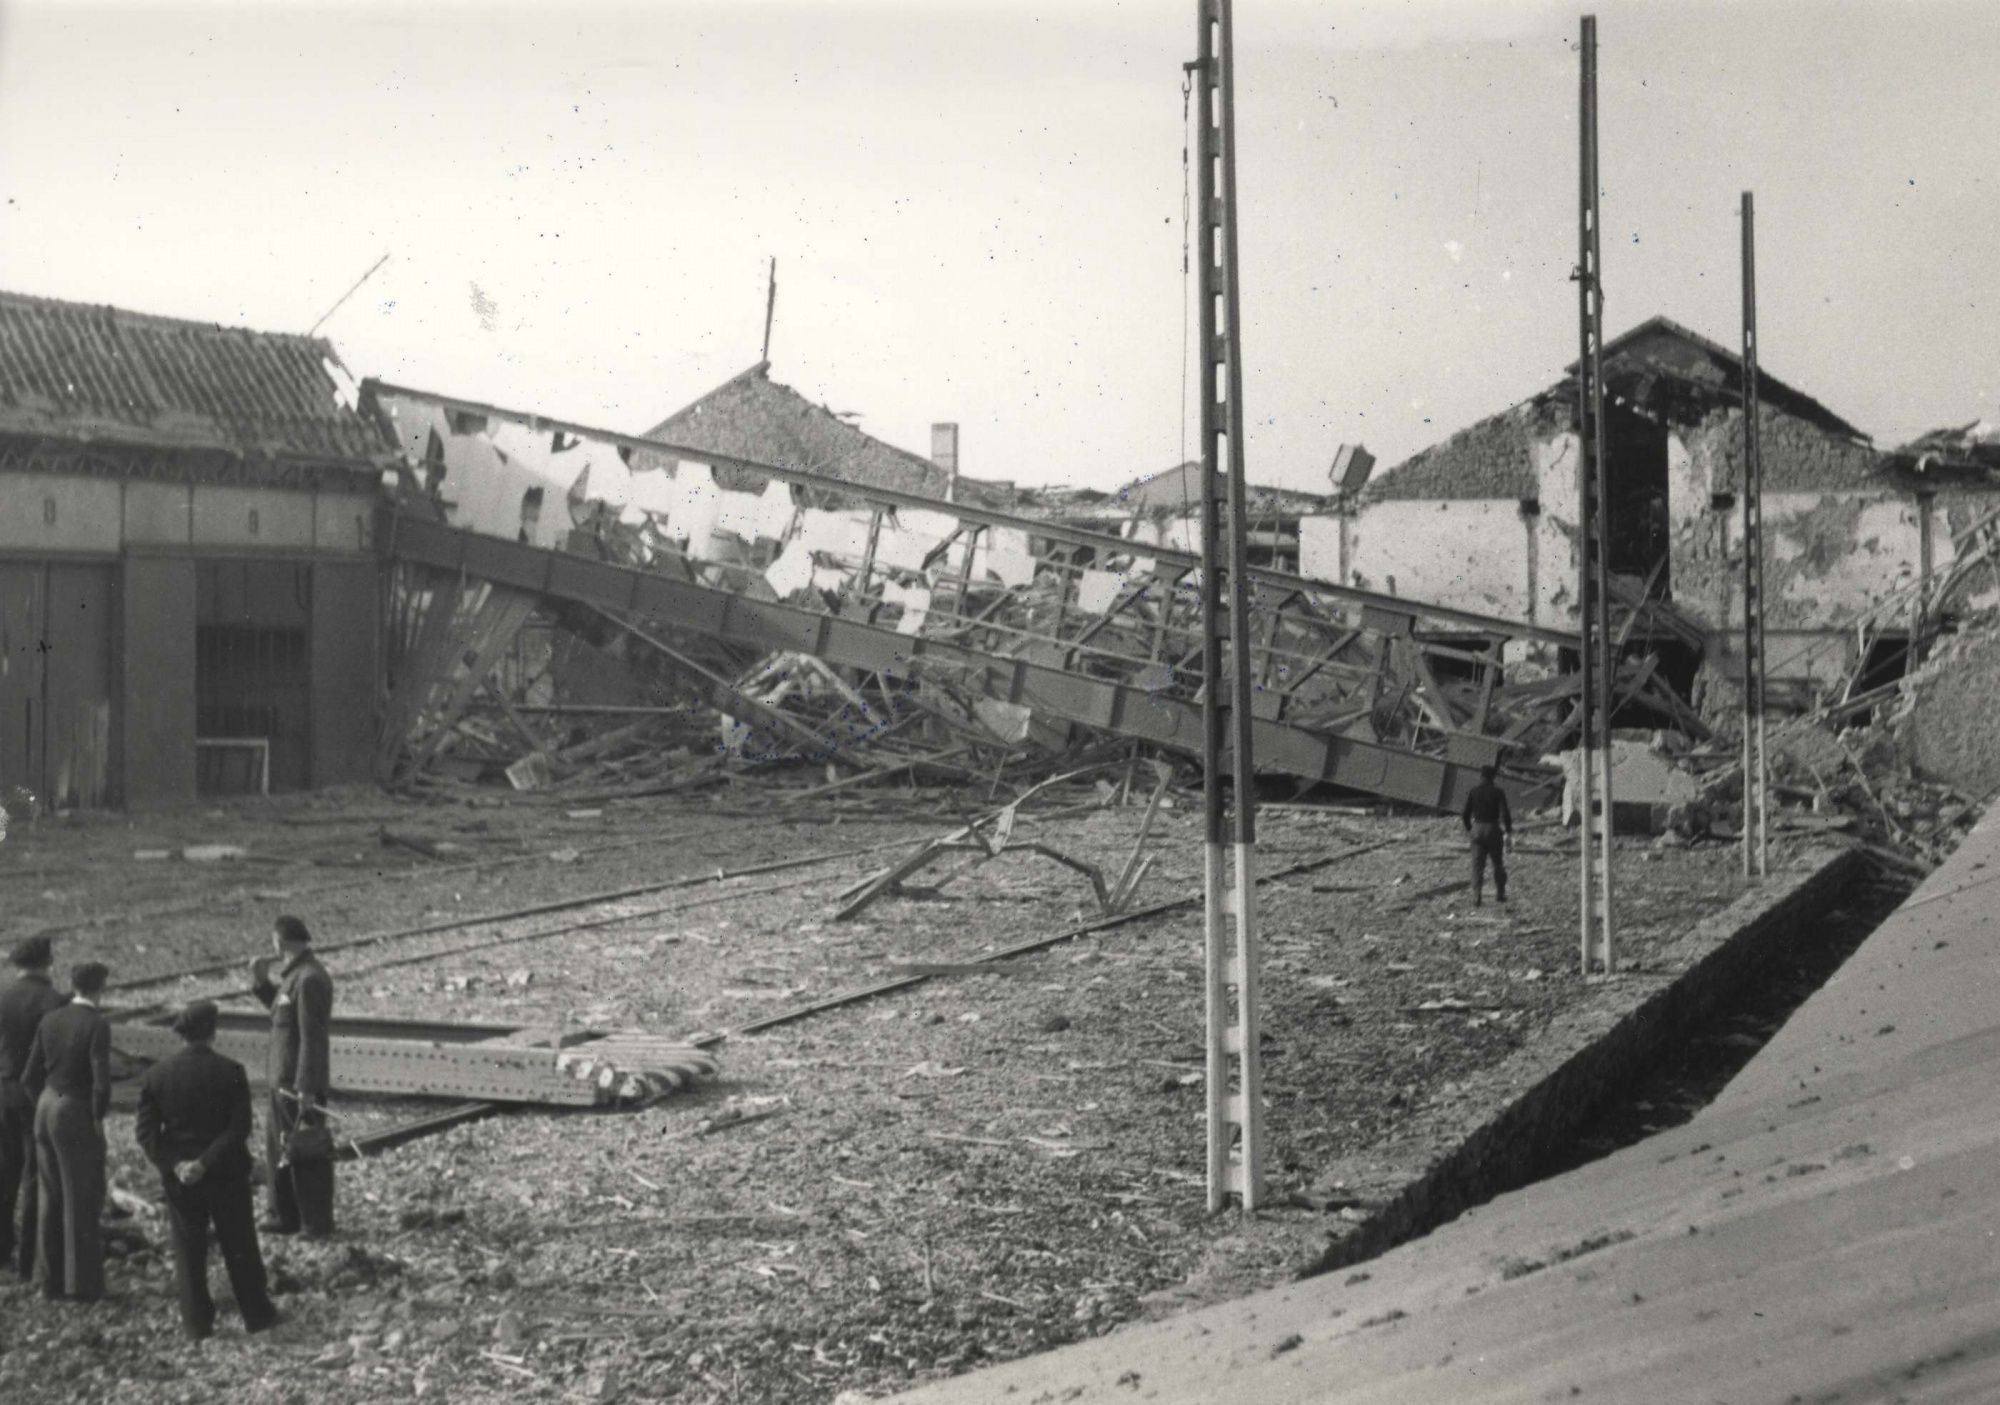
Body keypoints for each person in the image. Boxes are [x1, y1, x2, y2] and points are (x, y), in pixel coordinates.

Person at [134, 1000, 278, 1340]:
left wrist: (176, 1164)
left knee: (188, 1251)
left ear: (181, 1035)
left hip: (182, 1180)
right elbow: (239, 1128)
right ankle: (257, 1315)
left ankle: (197, 1325)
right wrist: (205, 1162)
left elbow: (146, 1133)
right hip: (226, 1173)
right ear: (213, 1033)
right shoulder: (231, 1071)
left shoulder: (157, 1075)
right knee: (240, 1244)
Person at [23, 960, 111, 1301]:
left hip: (46, 1104)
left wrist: (45, 1102)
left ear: (73, 985)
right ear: (100, 987)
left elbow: (29, 1075)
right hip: (74, 1109)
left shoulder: (50, 1019)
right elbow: (101, 1082)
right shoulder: (97, 1024)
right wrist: (97, 1117)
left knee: (49, 1195)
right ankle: (81, 1284)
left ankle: (48, 1280)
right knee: (80, 1197)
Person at [249, 916, 334, 1238]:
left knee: (306, 1150)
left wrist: (307, 1087)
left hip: (296, 1082)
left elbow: (312, 1037)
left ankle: (314, 1222)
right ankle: (284, 1215)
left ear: (280, 942)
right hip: (284, 1078)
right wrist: (262, 983)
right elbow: (282, 1013)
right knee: (280, 1148)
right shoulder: (296, 976)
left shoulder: (309, 978)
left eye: (273, 941)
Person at [1, 936, 67, 1280]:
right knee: (33, 1175)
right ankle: (28, 1262)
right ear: (48, 961)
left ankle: (1, 1254)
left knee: (3, 1171)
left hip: (2, 1090)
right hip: (36, 1094)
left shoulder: (2, 996)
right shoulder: (53, 1001)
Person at [1461, 763, 1514, 907]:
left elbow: (1465, 814)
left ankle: (1477, 894)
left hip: (1477, 829)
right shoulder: (1498, 792)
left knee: (1477, 865)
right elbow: (1505, 813)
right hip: (1493, 829)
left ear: (1481, 776)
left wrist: (1470, 829)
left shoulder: (1473, 791)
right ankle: (1500, 893)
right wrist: (1508, 831)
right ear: (1493, 777)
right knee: (1497, 863)